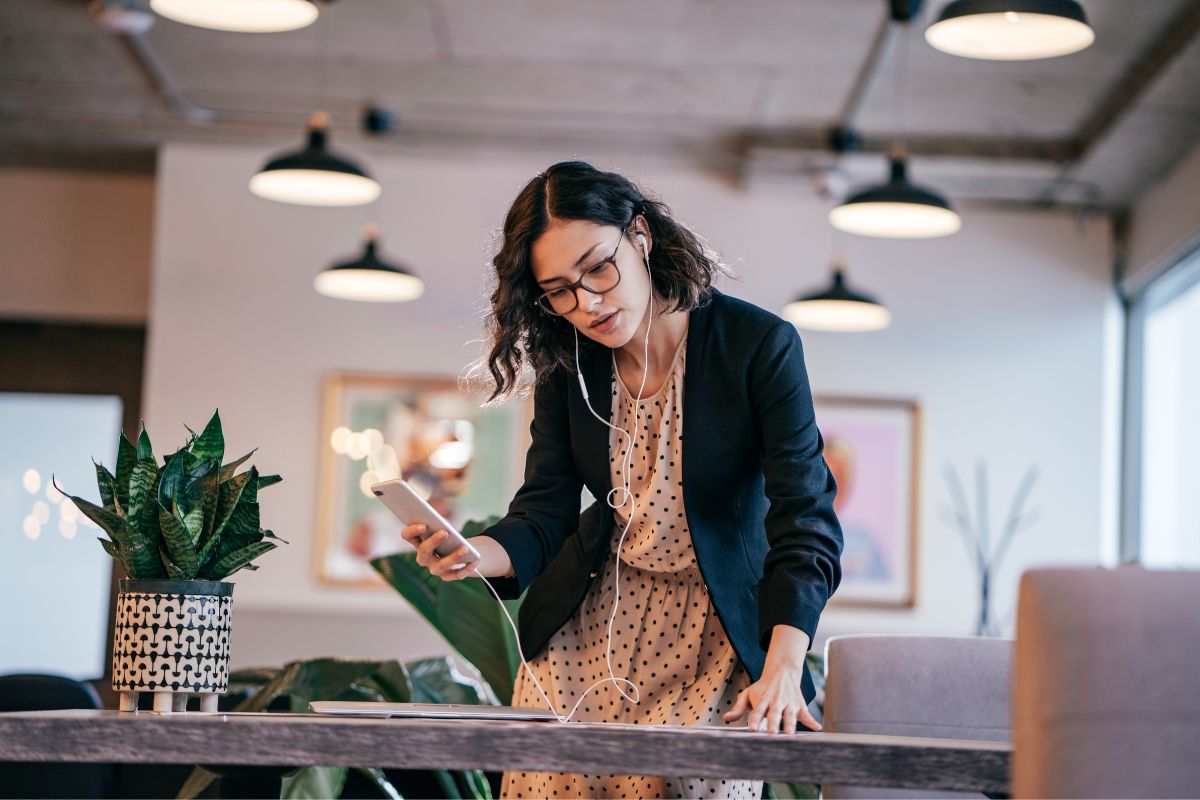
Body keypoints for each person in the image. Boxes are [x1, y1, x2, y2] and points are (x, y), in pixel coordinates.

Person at [401, 161, 843, 799]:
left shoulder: (758, 346)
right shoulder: (568, 362)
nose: (587, 304)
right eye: (558, 290)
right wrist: (477, 555)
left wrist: (782, 664)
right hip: (588, 629)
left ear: (640, 235)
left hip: (711, 638)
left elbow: (806, 518)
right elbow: (544, 509)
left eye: (597, 268)